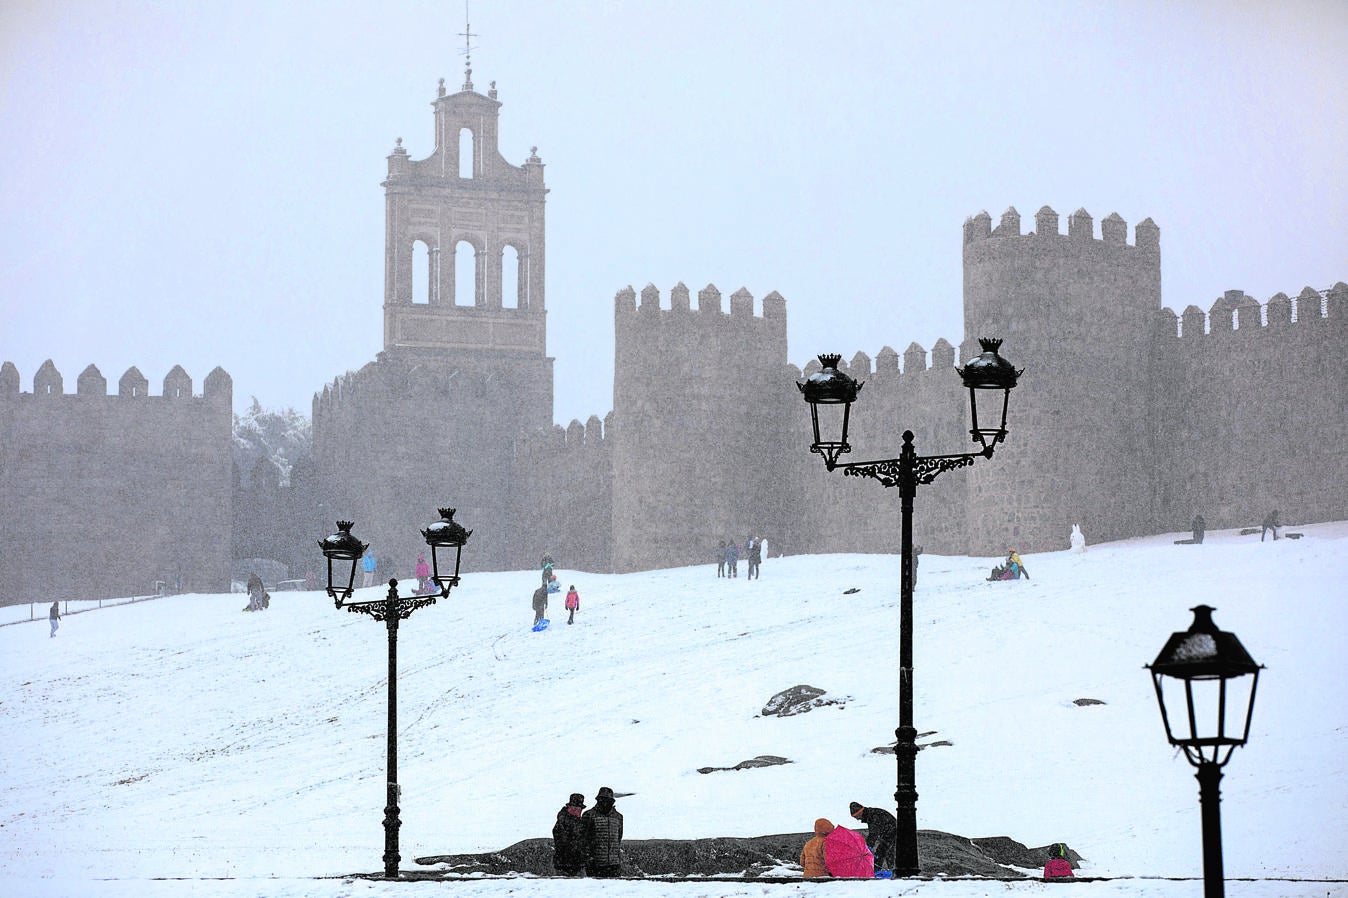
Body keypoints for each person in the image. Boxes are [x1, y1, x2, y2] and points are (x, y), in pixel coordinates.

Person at [581, 786, 624, 878]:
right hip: (595, 864)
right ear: (598, 800)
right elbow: (583, 839)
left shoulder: (618, 817)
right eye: (602, 800)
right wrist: (589, 858)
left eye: (608, 800)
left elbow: (618, 839)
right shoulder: (588, 815)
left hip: (614, 864)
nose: (605, 803)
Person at [849, 801, 897, 872]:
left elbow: (873, 834)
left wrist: (868, 847)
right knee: (885, 853)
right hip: (889, 833)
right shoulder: (871, 814)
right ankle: (891, 870)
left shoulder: (872, 816)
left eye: (856, 816)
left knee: (881, 854)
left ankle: (881, 872)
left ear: (860, 812)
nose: (857, 819)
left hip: (892, 833)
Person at [552, 792, 587, 876]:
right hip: (564, 864)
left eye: (579, 809)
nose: (577, 810)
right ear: (569, 807)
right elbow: (563, 842)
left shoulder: (580, 821)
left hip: (577, 864)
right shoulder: (563, 821)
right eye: (574, 808)